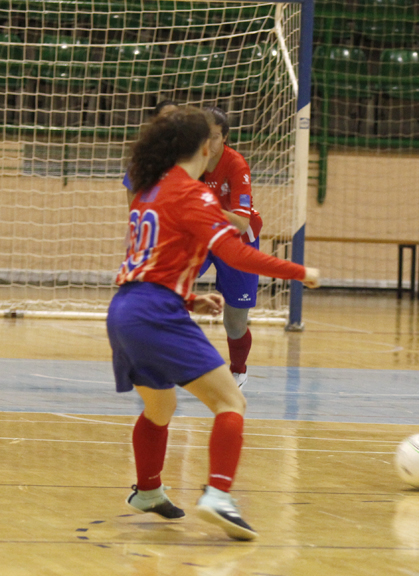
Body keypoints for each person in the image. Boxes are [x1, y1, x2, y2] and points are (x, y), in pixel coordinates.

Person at [108, 107, 320, 540]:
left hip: (126, 308)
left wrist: (187, 296)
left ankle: (147, 490)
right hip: (154, 312)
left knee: (160, 408)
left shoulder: (149, 189)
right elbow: (238, 254)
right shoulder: (193, 193)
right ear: (206, 147)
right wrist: (300, 272)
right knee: (230, 404)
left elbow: (146, 260)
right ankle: (219, 495)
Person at [197, 107, 262, 390]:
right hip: (201, 238)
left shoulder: (236, 165)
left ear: (224, 138)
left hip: (237, 241)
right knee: (165, 289)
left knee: (235, 322)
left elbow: (240, 221)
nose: (207, 143)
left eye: (214, 137)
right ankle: (165, 361)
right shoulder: (188, 161)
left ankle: (238, 371)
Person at [121, 100, 178, 197]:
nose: (172, 118)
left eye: (176, 115)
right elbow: (132, 186)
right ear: (156, 119)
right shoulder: (145, 148)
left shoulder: (187, 147)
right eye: (167, 114)